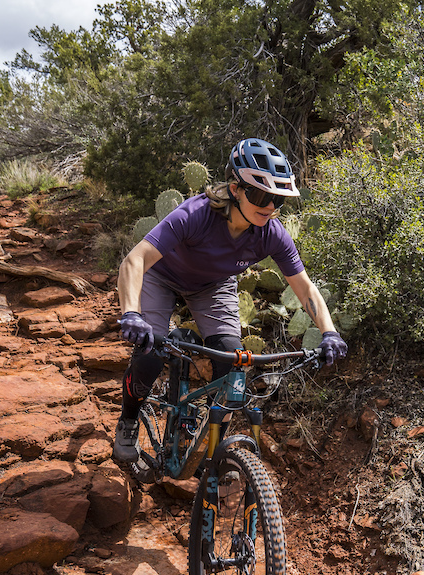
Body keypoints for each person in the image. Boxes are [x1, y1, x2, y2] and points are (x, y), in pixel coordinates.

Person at [112, 137, 347, 464]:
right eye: (262, 195)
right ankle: (127, 419)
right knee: (149, 356)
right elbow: (134, 261)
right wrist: (132, 314)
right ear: (236, 189)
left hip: (212, 284)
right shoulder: (196, 215)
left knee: (231, 361)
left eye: (278, 199)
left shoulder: (271, 233)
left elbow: (304, 288)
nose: (270, 207)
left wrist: (329, 332)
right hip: (161, 276)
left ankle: (212, 453)